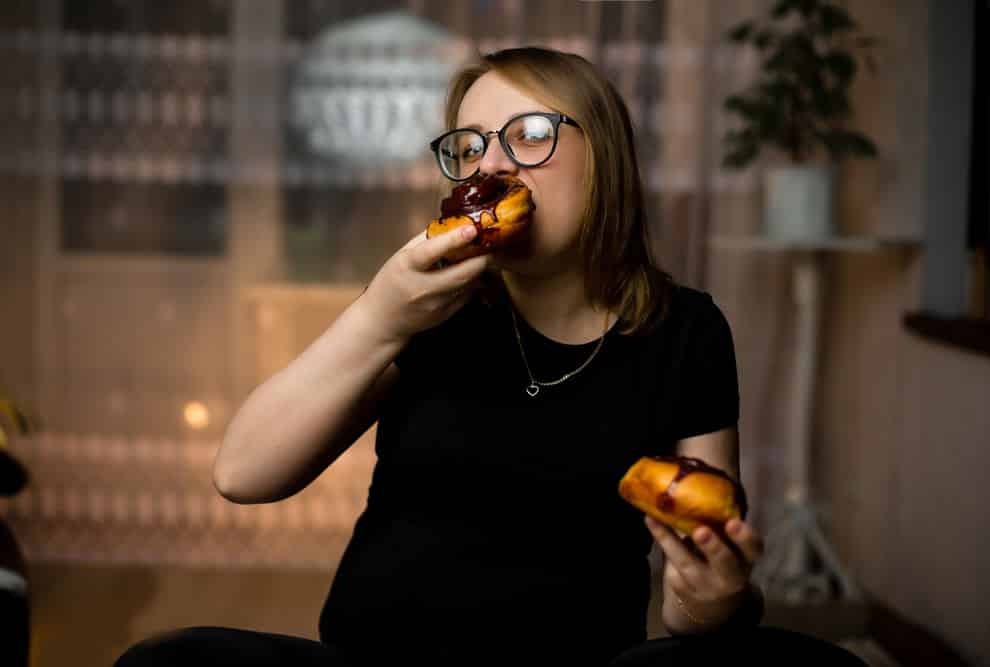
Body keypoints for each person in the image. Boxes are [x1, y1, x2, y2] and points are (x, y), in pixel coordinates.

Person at [115, 47, 864, 666]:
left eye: (528, 133)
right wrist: (380, 313)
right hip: (374, 664)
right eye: (468, 147)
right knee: (166, 662)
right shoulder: (432, 310)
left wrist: (712, 600)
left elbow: (703, 554)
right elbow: (241, 473)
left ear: (601, 154)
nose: (491, 166)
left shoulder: (686, 330)